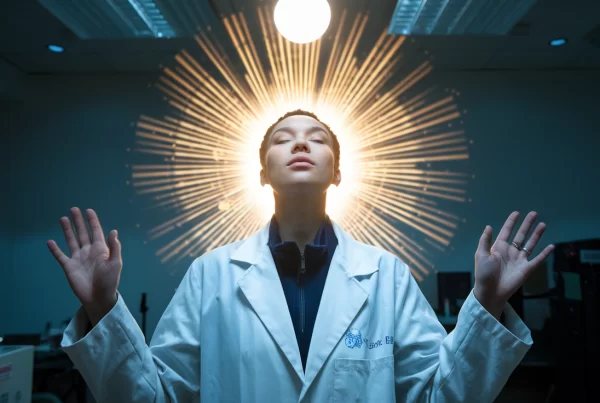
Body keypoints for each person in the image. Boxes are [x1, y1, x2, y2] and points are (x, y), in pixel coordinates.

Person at [48, 110, 554, 402]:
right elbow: (152, 398)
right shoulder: (212, 275)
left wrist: (485, 303)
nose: (300, 145)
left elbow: (440, 396)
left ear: (337, 173)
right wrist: (102, 310)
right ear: (263, 173)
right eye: (282, 140)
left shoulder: (385, 276)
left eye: (316, 139)